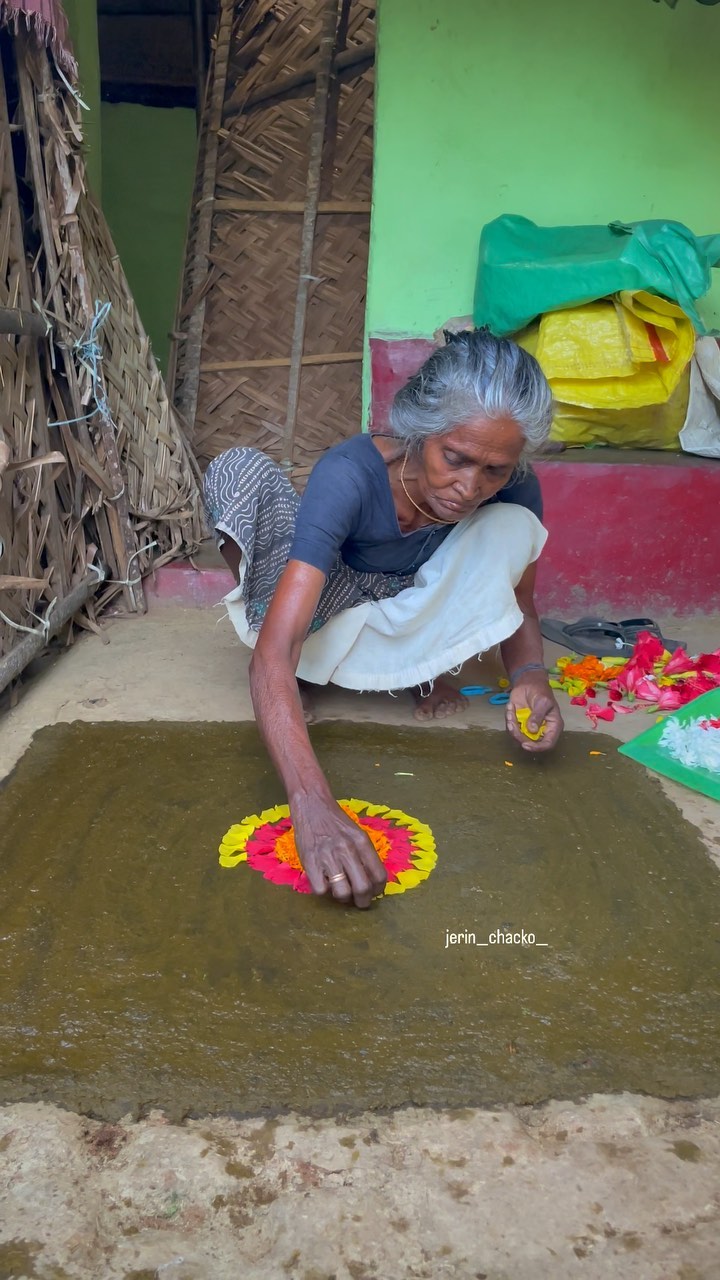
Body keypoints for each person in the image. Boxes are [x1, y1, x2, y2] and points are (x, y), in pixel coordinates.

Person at [203, 328, 563, 909]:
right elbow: (273, 651)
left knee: (512, 527)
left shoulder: (513, 489)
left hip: (408, 607)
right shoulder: (349, 473)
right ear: (421, 431)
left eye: (494, 469)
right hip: (330, 602)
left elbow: (519, 599)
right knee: (237, 470)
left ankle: (421, 669)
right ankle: (306, 678)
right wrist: (313, 805)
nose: (470, 486)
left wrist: (530, 679)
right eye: (456, 458)